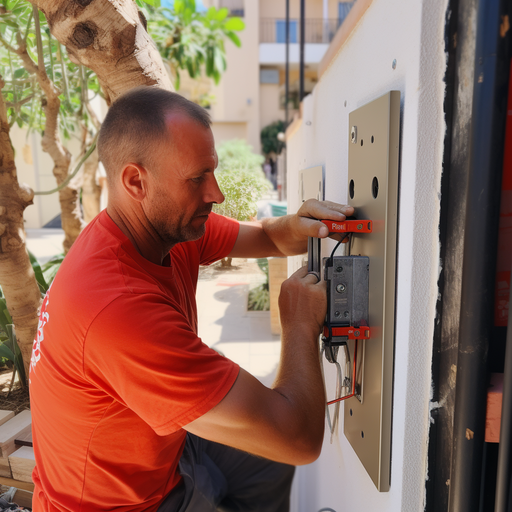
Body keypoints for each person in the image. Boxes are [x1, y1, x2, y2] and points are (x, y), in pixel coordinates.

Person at [29, 87, 354, 512]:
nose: (216, 193)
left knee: (267, 464)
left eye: (212, 172)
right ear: (135, 181)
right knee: (278, 439)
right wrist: (298, 324)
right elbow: (300, 437)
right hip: (120, 504)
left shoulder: (163, 228)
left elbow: (264, 236)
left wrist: (299, 225)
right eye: (197, 178)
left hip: (160, 451)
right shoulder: (117, 309)